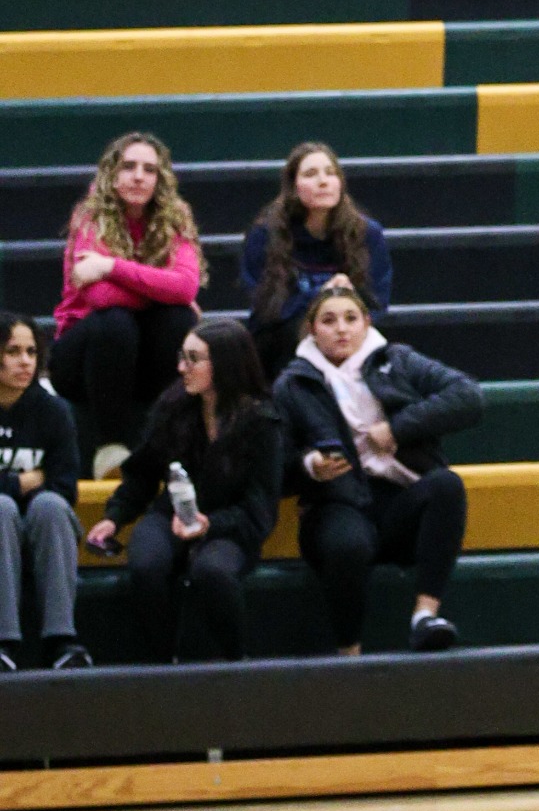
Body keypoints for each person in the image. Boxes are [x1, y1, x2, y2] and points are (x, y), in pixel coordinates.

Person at [273, 285, 479, 655]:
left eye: (351, 319)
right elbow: (275, 462)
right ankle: (348, 652)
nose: (342, 329)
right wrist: (310, 466)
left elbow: (468, 396)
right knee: (348, 544)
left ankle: (425, 616)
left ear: (367, 324)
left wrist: (398, 429)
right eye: (329, 320)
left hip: (399, 501)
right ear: (312, 330)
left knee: (447, 485)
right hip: (337, 502)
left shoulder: (396, 359)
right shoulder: (293, 383)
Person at [86, 319, 282, 664]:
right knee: (146, 564)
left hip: (231, 523)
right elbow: (142, 474)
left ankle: (237, 663)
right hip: (172, 512)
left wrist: (210, 525)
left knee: (213, 572)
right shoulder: (173, 406)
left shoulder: (261, 422)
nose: (181, 367)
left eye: (193, 359)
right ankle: (163, 664)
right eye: (182, 356)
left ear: (224, 364)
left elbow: (260, 509)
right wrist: (114, 519)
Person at [49, 132, 205, 481]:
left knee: (177, 319)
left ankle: (166, 441)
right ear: (112, 174)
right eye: (129, 167)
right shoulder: (90, 216)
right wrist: (163, 289)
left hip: (141, 360)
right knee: (115, 322)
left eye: (149, 169)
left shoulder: (175, 217)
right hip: (83, 358)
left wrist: (110, 267)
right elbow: (100, 298)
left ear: (159, 179)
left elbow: (186, 286)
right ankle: (110, 448)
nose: (138, 176)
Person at [241, 142, 393, 380]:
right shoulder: (265, 234)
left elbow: (377, 302)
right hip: (282, 339)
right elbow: (267, 307)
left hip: (346, 334)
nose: (323, 181)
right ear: (293, 187)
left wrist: (346, 299)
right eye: (310, 174)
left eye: (330, 173)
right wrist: (323, 298)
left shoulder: (366, 233)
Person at [0, 313, 90, 670]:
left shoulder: (53, 412)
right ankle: (4, 644)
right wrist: (20, 482)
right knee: (2, 508)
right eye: (12, 351)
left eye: (31, 352)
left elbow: (65, 487)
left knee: (51, 506)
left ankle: (61, 642)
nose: (25, 361)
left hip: (41, 521)